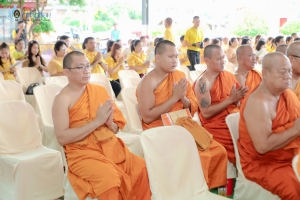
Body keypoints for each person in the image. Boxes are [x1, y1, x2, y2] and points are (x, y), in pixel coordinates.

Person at [52, 51, 150, 199]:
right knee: (109, 180)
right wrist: (97, 122)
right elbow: (62, 138)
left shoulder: (99, 91)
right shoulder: (62, 99)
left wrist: (109, 124)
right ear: (66, 72)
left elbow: (116, 128)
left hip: (110, 146)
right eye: (80, 67)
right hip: (82, 153)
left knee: (142, 168)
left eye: (87, 66)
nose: (86, 70)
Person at [137, 40, 227, 189]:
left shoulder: (179, 75)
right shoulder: (147, 82)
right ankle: (196, 192)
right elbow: (147, 117)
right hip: (161, 131)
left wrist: (182, 98)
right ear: (158, 58)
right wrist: (174, 98)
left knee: (219, 151)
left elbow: (193, 105)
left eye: (176, 57)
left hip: (184, 126)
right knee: (199, 157)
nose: (175, 61)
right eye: (170, 57)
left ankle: (215, 192)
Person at [238, 52, 300, 199]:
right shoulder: (259, 103)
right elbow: (262, 146)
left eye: (289, 70)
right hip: (265, 162)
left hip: (291, 152)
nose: (288, 75)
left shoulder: (287, 94)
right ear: (265, 73)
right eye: (282, 71)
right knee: (295, 186)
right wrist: (296, 129)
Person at [193, 44, 248, 165]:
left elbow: (236, 103)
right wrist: (230, 100)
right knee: (242, 144)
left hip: (234, 118)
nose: (223, 61)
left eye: (224, 57)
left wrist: (237, 98)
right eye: (219, 59)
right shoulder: (202, 83)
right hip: (216, 126)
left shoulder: (228, 76)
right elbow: (206, 113)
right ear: (207, 61)